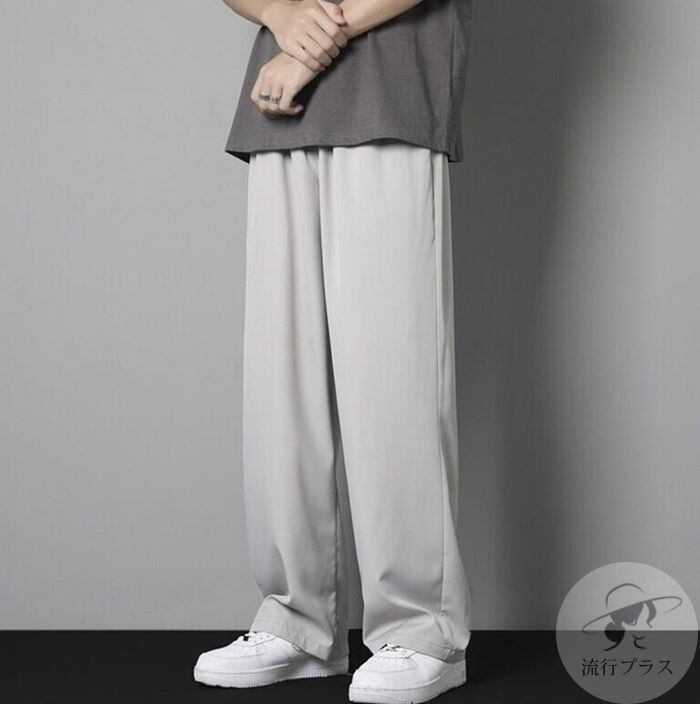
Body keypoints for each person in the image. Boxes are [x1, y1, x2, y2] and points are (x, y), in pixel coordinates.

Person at [194, 1, 473, 701]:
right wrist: (278, 12)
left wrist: (310, 45)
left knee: (393, 375)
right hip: (282, 109)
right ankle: (298, 623)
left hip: (390, 90)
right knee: (282, 383)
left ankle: (423, 631)